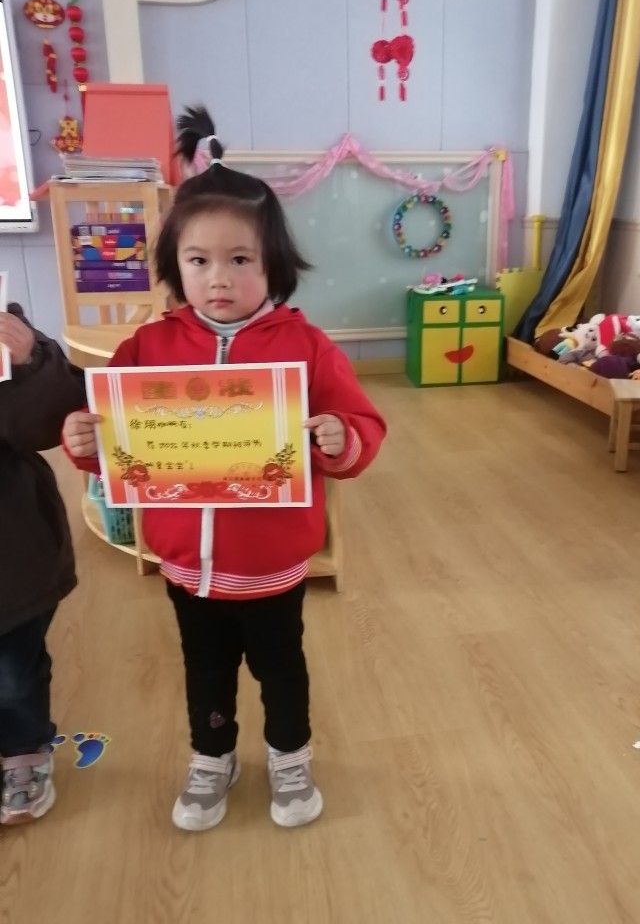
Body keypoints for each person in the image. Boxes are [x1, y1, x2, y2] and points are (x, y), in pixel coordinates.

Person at [63, 106, 386, 833]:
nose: (218, 278)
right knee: (205, 670)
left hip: (272, 563)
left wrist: (339, 436)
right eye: (199, 260)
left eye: (240, 260)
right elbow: (111, 443)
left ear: (273, 264)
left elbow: (364, 429)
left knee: (281, 668)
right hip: (185, 564)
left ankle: (289, 755)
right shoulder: (147, 349)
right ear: (175, 266)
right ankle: (213, 758)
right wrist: (83, 438)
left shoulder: (308, 347)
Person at [0, 304, 86, 825]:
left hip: (11, 554)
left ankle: (24, 751)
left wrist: (29, 359)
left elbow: (53, 419)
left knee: (13, 672)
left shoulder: (7, 329)